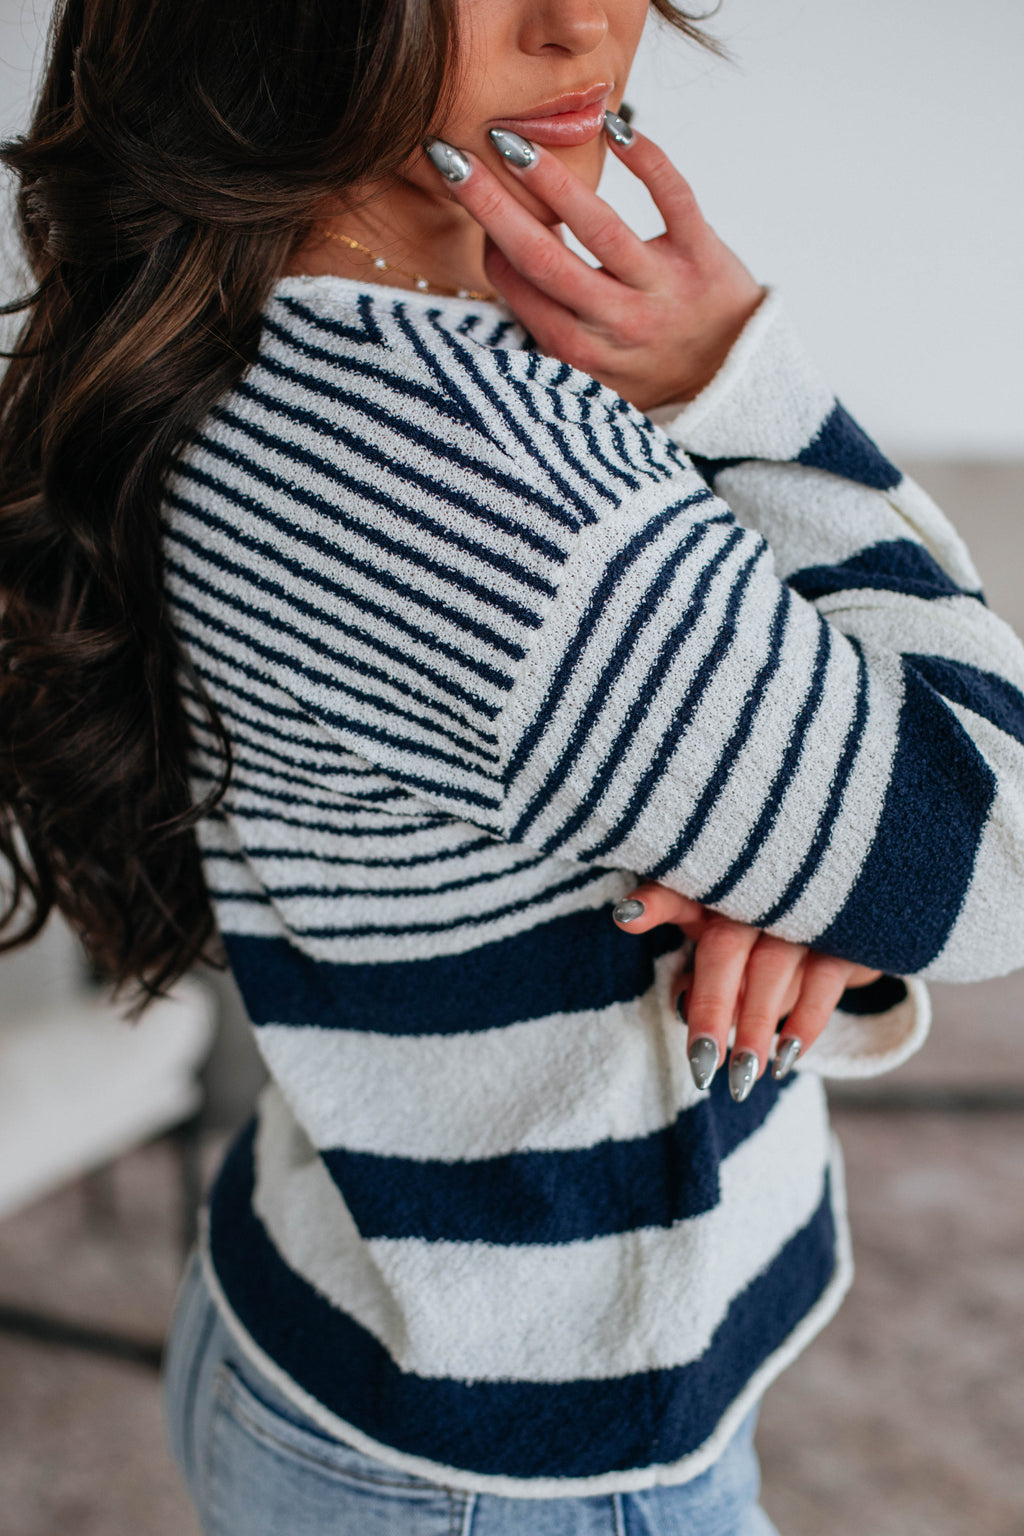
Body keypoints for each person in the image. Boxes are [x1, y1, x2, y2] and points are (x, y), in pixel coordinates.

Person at [2, 1, 1023, 1532]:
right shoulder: (502, 480)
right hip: (523, 1470)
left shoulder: (256, 328)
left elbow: (896, 821)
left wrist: (832, 891)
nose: (586, 21)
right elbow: (999, 851)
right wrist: (752, 383)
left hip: (321, 1295)